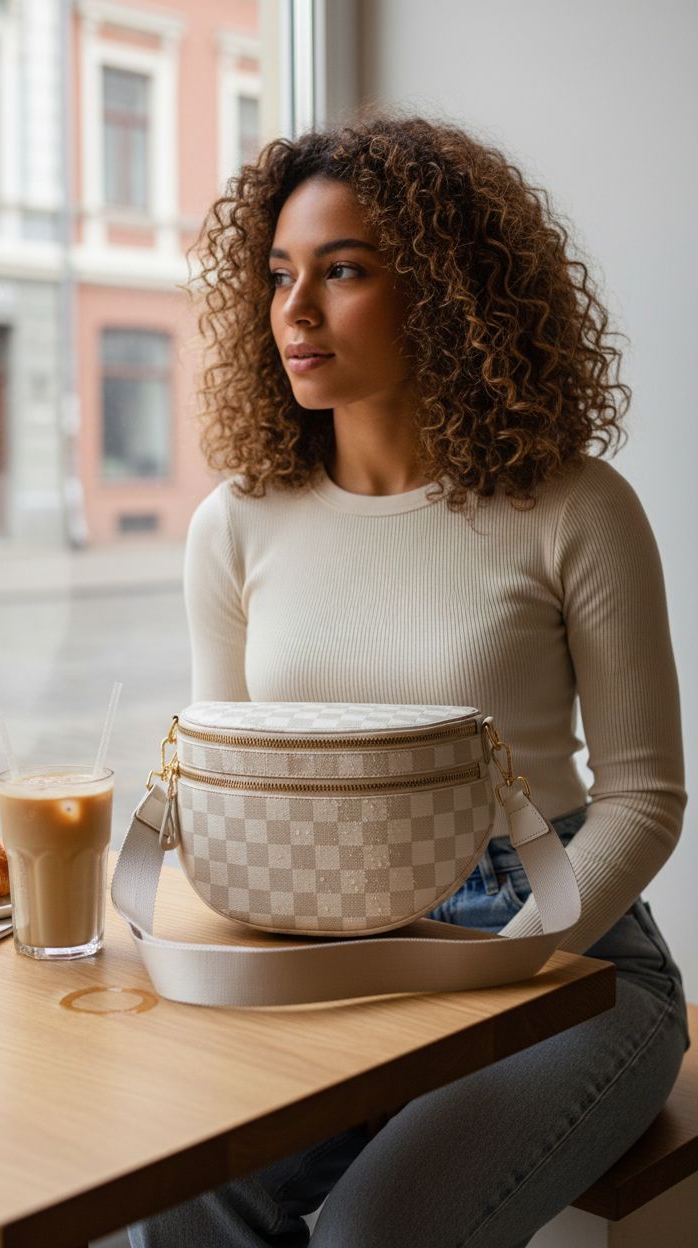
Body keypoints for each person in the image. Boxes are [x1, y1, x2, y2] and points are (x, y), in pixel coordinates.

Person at [129, 115, 688, 1248]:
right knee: (181, 1191)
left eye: (342, 272)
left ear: (441, 291)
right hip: (324, 943)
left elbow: (643, 795)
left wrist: (516, 948)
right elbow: (230, 786)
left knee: (376, 1232)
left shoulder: (575, 507)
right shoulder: (233, 526)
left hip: (561, 953)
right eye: (280, 274)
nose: (294, 311)